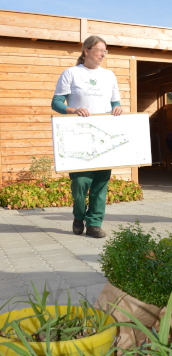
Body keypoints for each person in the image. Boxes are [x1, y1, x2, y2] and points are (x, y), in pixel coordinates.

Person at [51, 35, 123, 238]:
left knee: (101, 183)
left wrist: (117, 108)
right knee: (81, 182)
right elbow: (56, 103)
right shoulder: (71, 73)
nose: (103, 54)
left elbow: (115, 104)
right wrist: (73, 110)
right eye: (100, 50)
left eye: (105, 51)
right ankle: (78, 215)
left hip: (103, 136)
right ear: (87, 51)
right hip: (78, 136)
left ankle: (94, 224)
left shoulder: (109, 76)